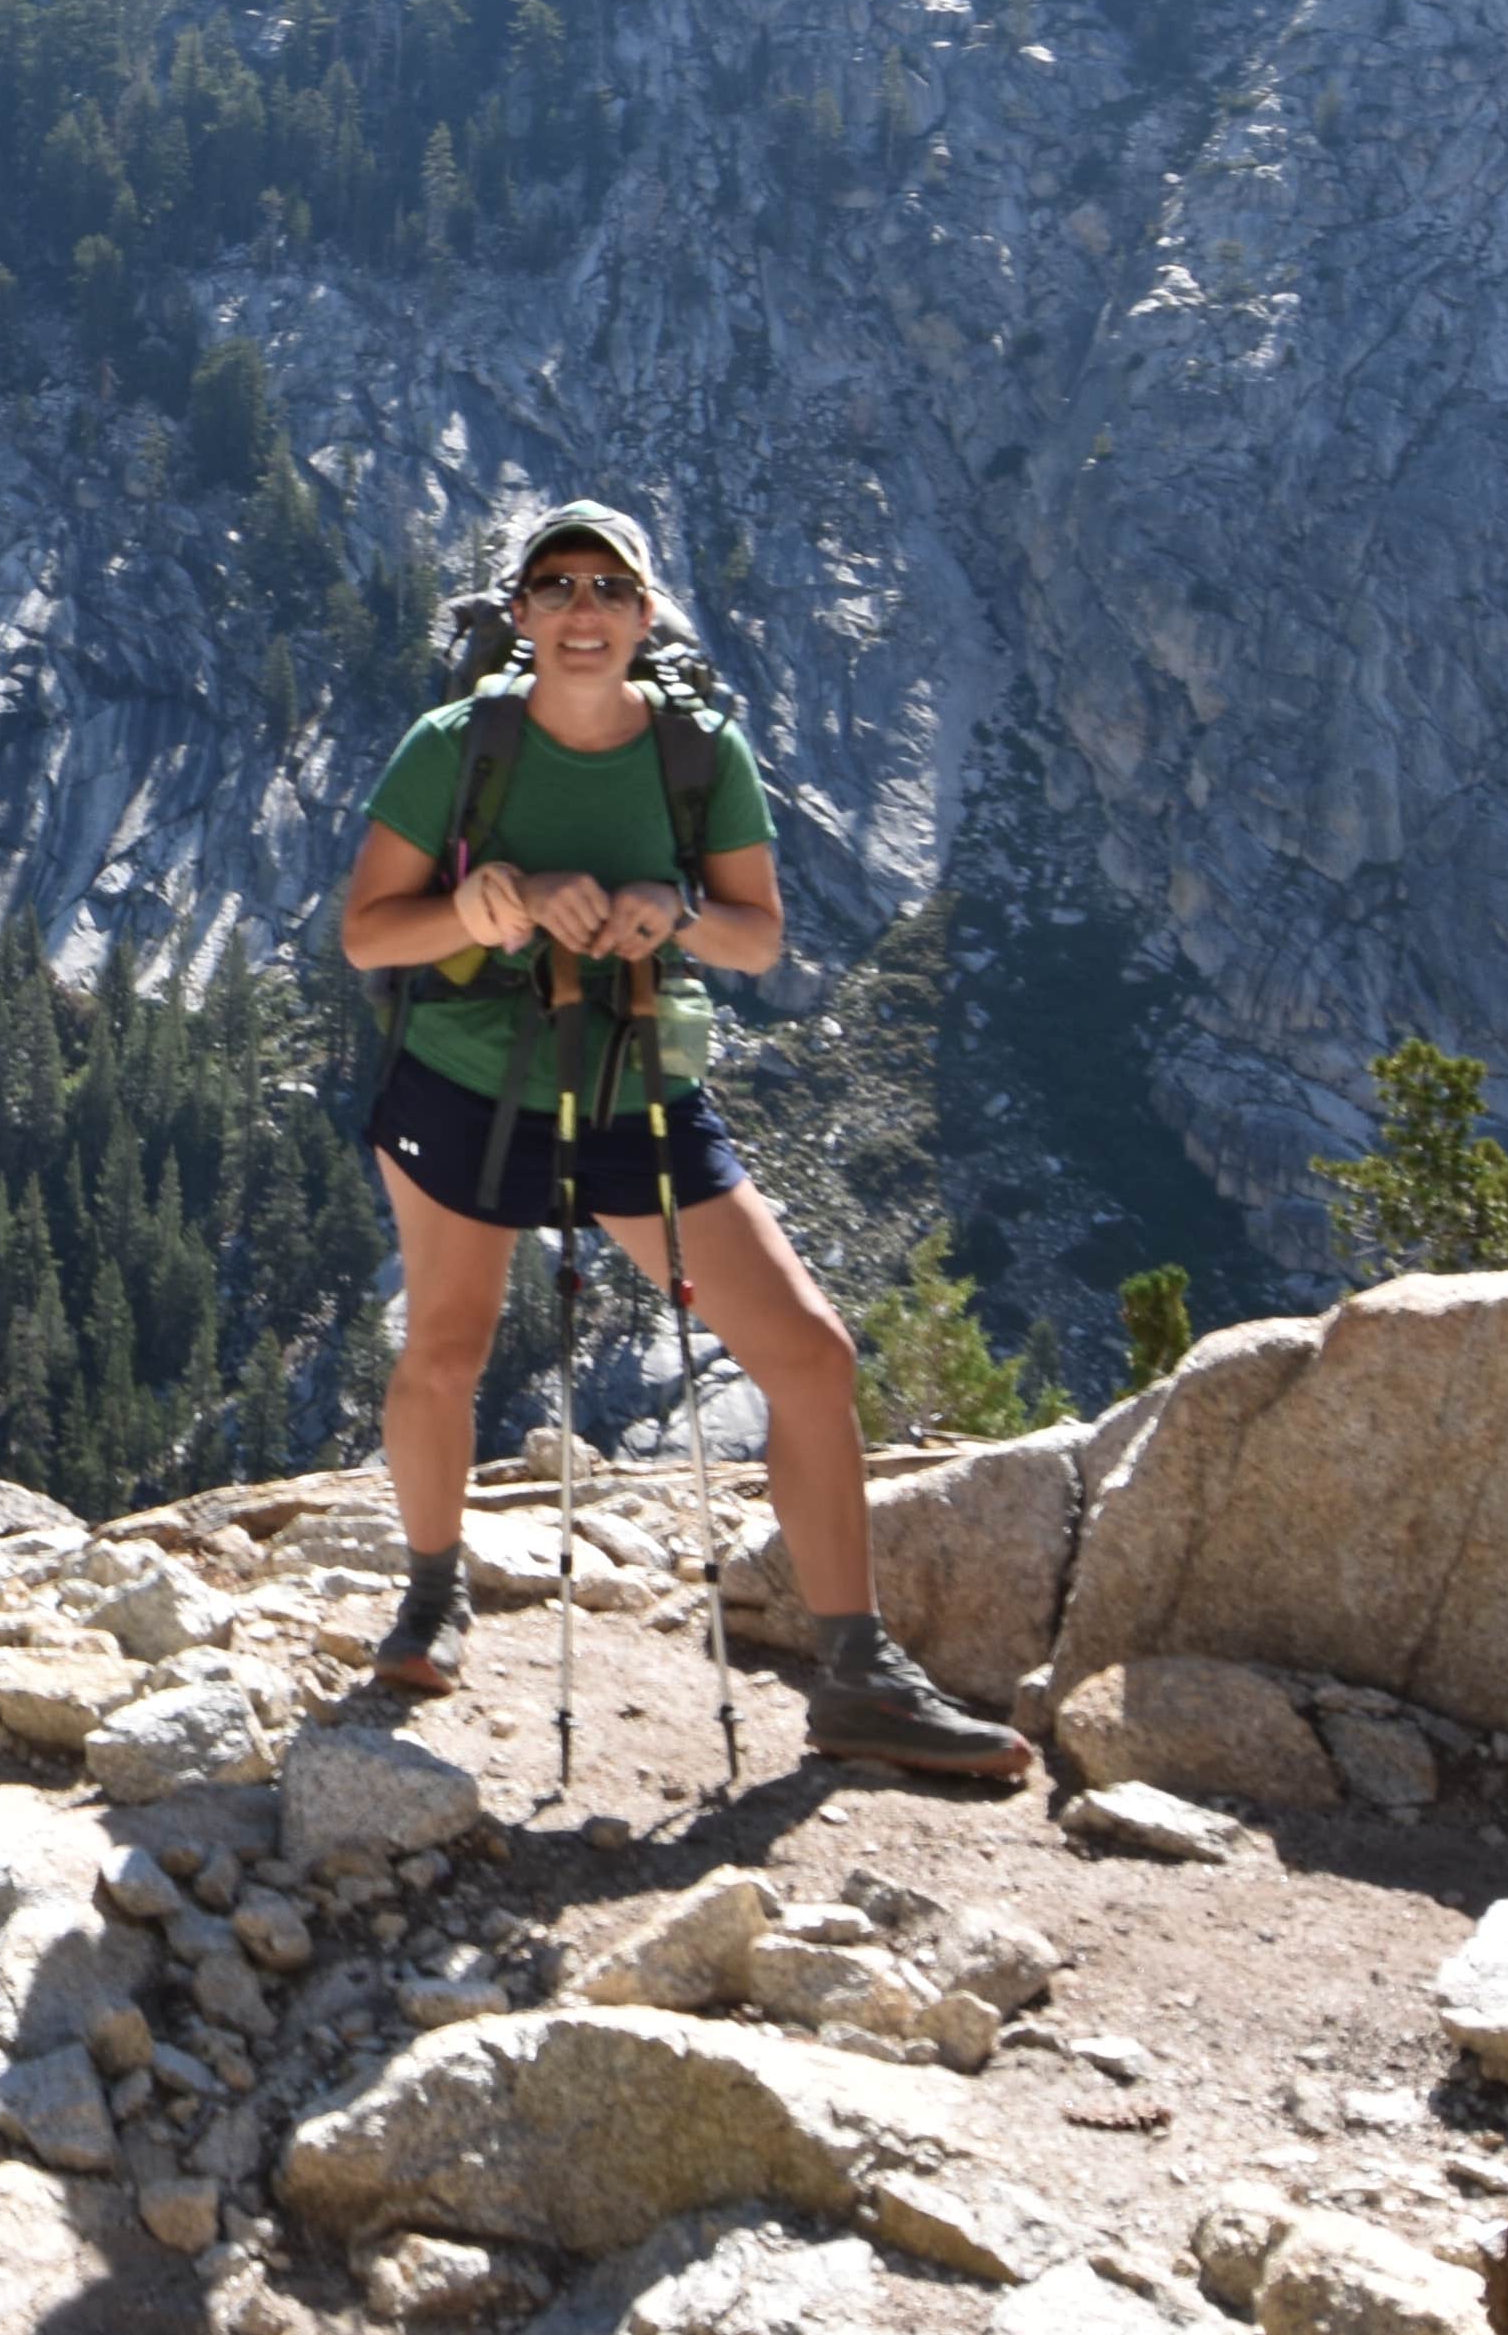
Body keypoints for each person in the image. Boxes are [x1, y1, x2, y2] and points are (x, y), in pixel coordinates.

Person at [332, 498, 1030, 1785]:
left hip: (630, 1089)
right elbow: (372, 933)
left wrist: (675, 909)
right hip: (467, 1083)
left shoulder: (699, 755)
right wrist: (485, 910)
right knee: (444, 1347)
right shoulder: (455, 748)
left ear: (646, 616)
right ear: (523, 614)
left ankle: (858, 1671)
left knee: (809, 1356)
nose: (582, 606)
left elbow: (758, 936)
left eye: (608, 586)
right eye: (556, 585)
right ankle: (433, 1595)